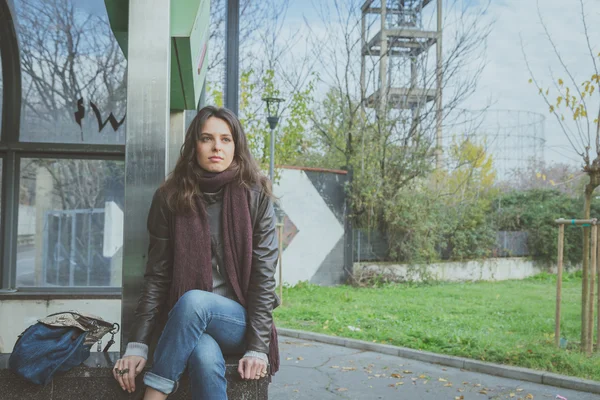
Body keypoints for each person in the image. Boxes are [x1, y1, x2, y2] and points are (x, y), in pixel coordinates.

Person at [112, 106, 280, 400]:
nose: (217, 147)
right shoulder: (170, 198)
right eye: (207, 138)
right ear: (194, 146)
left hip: (239, 321)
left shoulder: (256, 196)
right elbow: (158, 275)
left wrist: (257, 347)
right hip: (186, 322)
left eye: (226, 139)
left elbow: (264, 278)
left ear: (236, 146)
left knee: (194, 302)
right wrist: (137, 344)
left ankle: (154, 393)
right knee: (202, 354)